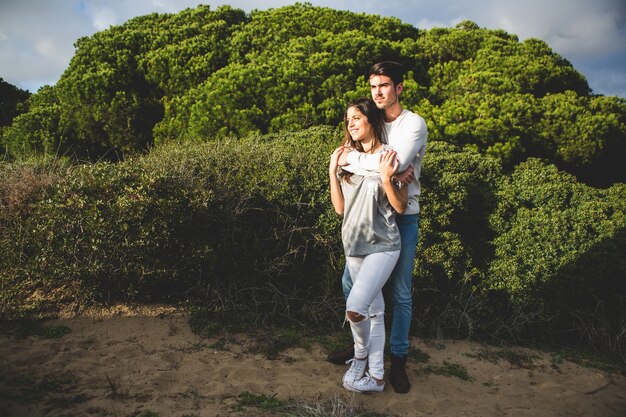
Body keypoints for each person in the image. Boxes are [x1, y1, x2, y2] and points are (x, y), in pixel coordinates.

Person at [328, 61, 428, 394]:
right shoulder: (369, 122)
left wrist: (349, 160)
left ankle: (397, 360)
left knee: (399, 293)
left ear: (399, 87)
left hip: (403, 213)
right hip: (366, 215)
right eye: (374, 86)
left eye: (385, 85)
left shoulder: (413, 124)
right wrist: (378, 169)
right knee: (351, 286)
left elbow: (393, 164)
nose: (379, 91)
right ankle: (363, 349)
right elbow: (382, 164)